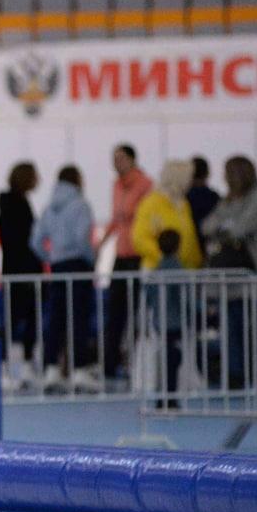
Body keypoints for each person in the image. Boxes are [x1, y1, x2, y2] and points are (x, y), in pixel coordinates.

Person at [31, 166, 100, 394]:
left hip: (58, 267)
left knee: (56, 319)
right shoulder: (80, 205)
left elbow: (36, 241)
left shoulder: (50, 207)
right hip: (78, 265)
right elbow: (82, 238)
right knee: (79, 318)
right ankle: (79, 369)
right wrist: (91, 259)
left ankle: (51, 368)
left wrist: (51, 258)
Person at [201, 155, 257, 389]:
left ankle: (252, 374)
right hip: (224, 276)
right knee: (228, 327)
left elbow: (243, 227)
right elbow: (208, 225)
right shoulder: (226, 200)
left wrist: (224, 227)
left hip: (247, 270)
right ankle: (234, 373)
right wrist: (226, 227)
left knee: (248, 325)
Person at [103, 144, 153, 382]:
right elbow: (116, 218)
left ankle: (135, 362)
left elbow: (140, 217)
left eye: (121, 158)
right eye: (114, 158)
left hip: (138, 254)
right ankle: (110, 362)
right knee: (115, 311)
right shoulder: (115, 185)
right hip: (121, 254)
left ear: (133, 159)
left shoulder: (145, 185)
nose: (117, 162)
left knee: (137, 311)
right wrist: (101, 243)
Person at [0, 162, 43, 391]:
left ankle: (24, 365)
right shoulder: (15, 205)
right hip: (20, 272)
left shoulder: (17, 203)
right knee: (13, 320)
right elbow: (18, 240)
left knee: (23, 320)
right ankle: (4, 367)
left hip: (19, 270)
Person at [145, 228, 186, 408]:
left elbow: (149, 297)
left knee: (165, 358)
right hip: (175, 321)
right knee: (173, 358)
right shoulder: (178, 270)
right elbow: (182, 297)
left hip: (159, 321)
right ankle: (170, 397)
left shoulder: (156, 270)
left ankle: (163, 395)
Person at [187, 156, 220, 243]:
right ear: (207, 174)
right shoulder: (214, 197)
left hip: (187, 243)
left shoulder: (182, 198)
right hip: (209, 243)